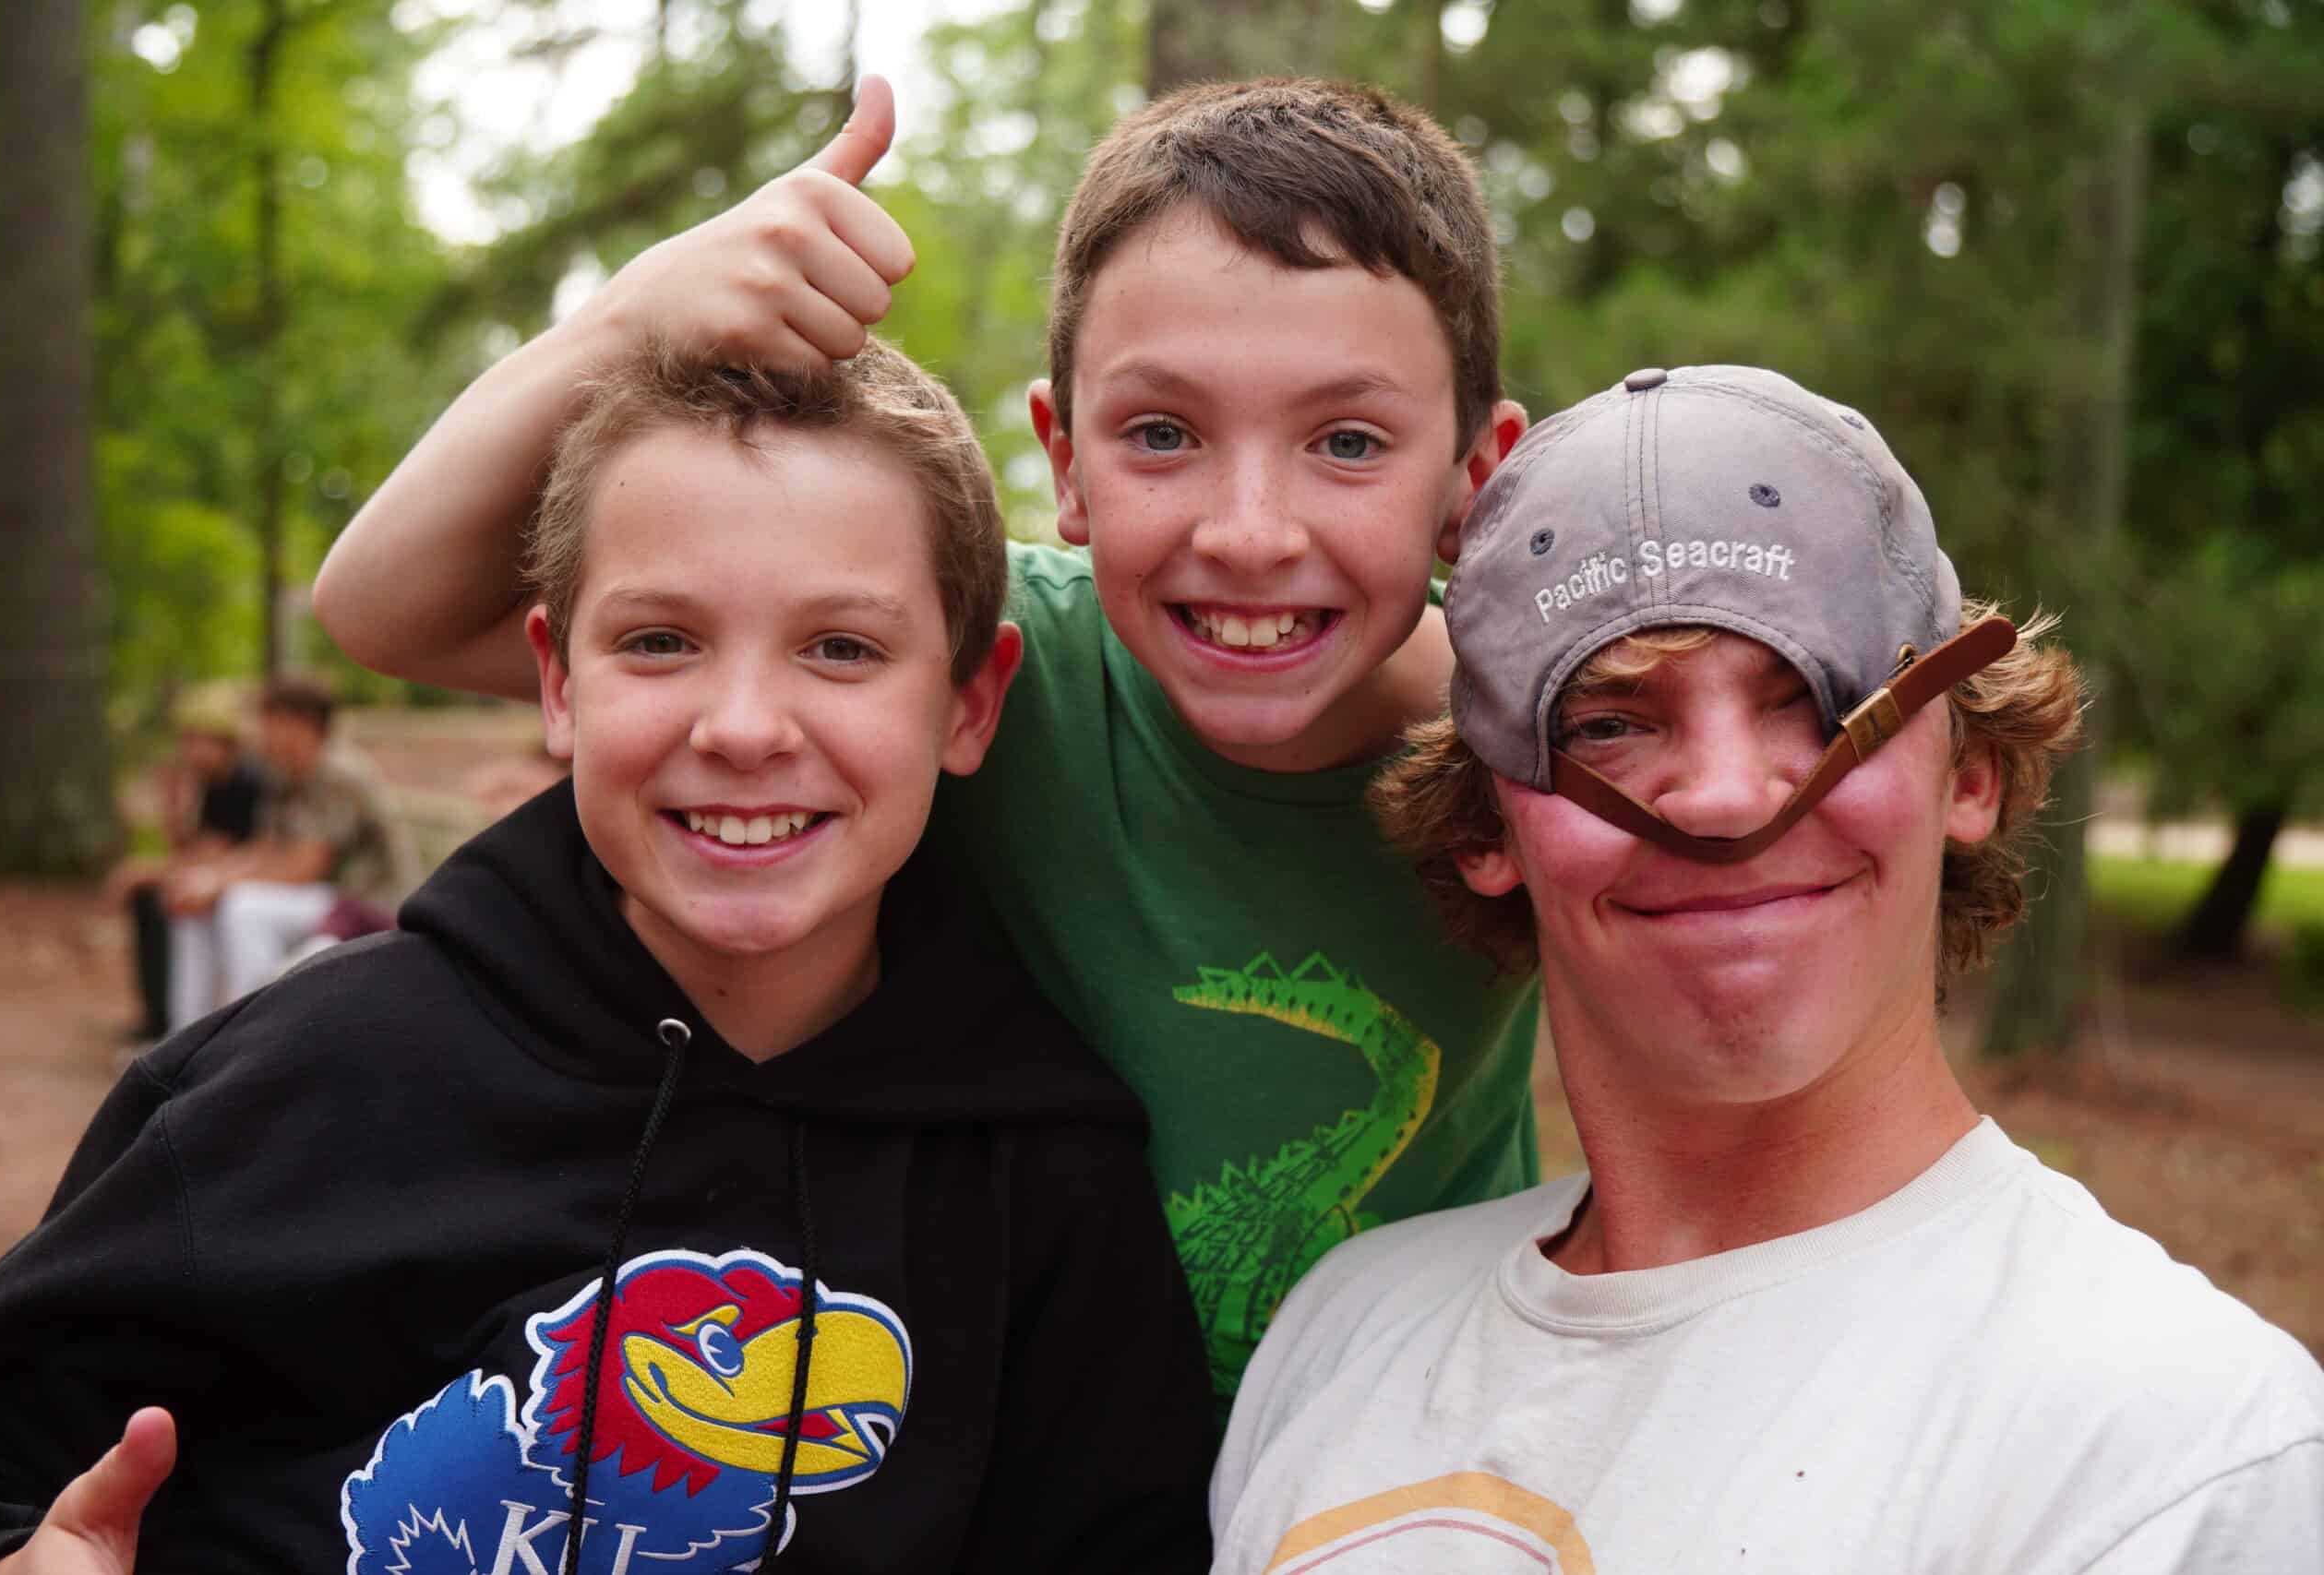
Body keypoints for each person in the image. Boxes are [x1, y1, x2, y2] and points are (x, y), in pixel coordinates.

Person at [313, 74, 1540, 1405]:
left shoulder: (1546, 730)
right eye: (1161, 434)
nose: (1248, 530)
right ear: (1063, 460)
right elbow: (386, 609)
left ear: (1475, 478)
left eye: (1347, 440)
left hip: (1409, 1461)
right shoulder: (966, 663)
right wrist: (630, 316)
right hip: (1016, 1472)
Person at [0, 340, 1213, 1574]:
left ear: (969, 702)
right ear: (556, 679)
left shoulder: (1047, 1182)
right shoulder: (296, 1080)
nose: (740, 728)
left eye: (842, 646)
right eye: (661, 641)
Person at [1207, 365, 2324, 1571]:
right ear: (1488, 829)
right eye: (1608, 721)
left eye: (1814, 699)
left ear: (1967, 772)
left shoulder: (2182, 1458)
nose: (1734, 790)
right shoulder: (1340, 1337)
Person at [161, 675, 408, 1030]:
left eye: (266, 720)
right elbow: (265, 848)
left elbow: (307, 866)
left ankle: (249, 1041)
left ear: (298, 725)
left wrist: (220, 886)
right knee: (194, 905)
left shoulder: (338, 773)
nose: (256, 732)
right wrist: (208, 879)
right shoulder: (284, 774)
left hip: (364, 904)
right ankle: (183, 1042)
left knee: (245, 907)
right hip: (319, 899)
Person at [103, 689, 268, 1040]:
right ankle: (159, 1016)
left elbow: (222, 851)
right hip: (215, 872)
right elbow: (187, 845)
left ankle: (180, 1022)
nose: (190, 750)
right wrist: (175, 802)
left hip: (244, 877)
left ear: (226, 743)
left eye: (199, 741)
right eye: (187, 740)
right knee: (150, 900)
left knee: (162, 896)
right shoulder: (209, 781)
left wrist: (149, 870)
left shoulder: (246, 780)